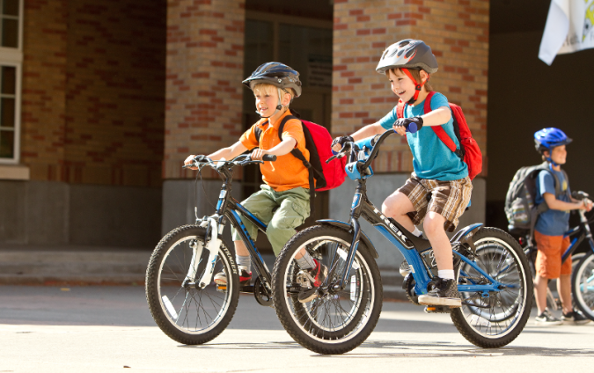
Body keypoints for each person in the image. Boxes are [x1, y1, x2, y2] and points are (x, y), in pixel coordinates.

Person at [332, 39, 472, 308]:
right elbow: (375, 128)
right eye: (391, 81)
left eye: (400, 79)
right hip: (422, 178)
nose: (395, 86)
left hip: (452, 179)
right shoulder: (401, 108)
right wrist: (349, 139)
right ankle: (427, 252)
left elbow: (444, 114)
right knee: (390, 208)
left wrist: (419, 120)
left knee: (433, 223)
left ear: (422, 76)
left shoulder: (433, 100)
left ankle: (448, 283)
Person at [184, 62, 326, 303]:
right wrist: (205, 158)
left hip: (296, 193)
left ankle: (312, 267)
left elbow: (290, 143)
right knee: (240, 216)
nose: (260, 100)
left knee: (277, 229)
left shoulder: (291, 124)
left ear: (287, 98)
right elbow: (232, 149)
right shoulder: (259, 128)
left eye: (267, 95)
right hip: (270, 191)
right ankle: (243, 271)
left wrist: (271, 151)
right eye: (257, 96)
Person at [532, 128, 592, 325]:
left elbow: (565, 197)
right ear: (547, 153)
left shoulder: (562, 174)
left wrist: (581, 201)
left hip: (561, 230)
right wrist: (576, 206)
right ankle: (542, 313)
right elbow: (552, 202)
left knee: (565, 272)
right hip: (548, 230)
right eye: (559, 150)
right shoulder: (545, 174)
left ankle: (568, 311)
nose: (564, 153)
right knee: (545, 272)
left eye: (564, 150)